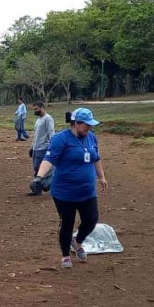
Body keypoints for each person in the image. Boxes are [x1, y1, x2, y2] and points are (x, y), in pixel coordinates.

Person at [33, 108, 108, 269]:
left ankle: (78, 241)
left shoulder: (91, 137)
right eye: (87, 125)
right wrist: (39, 177)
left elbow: (96, 158)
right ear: (76, 124)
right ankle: (65, 255)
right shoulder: (60, 139)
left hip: (87, 190)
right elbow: (49, 159)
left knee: (91, 219)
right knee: (67, 222)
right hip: (64, 192)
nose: (90, 128)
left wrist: (101, 176)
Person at [29, 101, 55, 196]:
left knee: (42, 168)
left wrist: (52, 147)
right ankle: (37, 189)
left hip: (43, 148)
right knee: (36, 168)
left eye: (36, 109)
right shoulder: (38, 120)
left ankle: (46, 185)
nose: (35, 111)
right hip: (37, 148)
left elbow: (51, 133)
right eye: (34, 109)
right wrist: (32, 147)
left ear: (42, 107)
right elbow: (36, 135)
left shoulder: (47, 119)